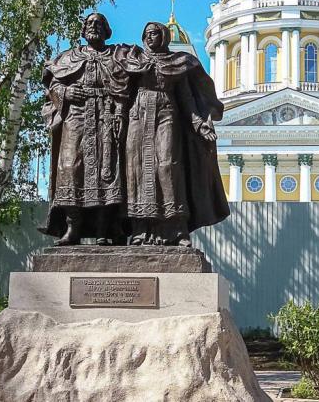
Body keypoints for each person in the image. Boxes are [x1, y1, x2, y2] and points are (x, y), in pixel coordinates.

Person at [123, 21, 230, 245]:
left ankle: (177, 228)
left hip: (166, 112)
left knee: (168, 166)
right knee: (138, 169)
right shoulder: (134, 61)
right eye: (147, 34)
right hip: (138, 117)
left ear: (164, 37)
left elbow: (187, 99)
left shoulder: (177, 63)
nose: (150, 38)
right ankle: (141, 229)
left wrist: (200, 124)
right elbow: (117, 91)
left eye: (155, 34)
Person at [40, 13, 132, 245]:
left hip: (106, 115)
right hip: (76, 117)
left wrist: (119, 113)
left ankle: (104, 230)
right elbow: (53, 83)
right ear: (83, 30)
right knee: (71, 168)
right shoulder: (70, 57)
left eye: (99, 23)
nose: (94, 27)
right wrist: (65, 93)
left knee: (107, 171)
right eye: (90, 23)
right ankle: (73, 229)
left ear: (107, 29)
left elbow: (127, 84)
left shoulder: (115, 56)